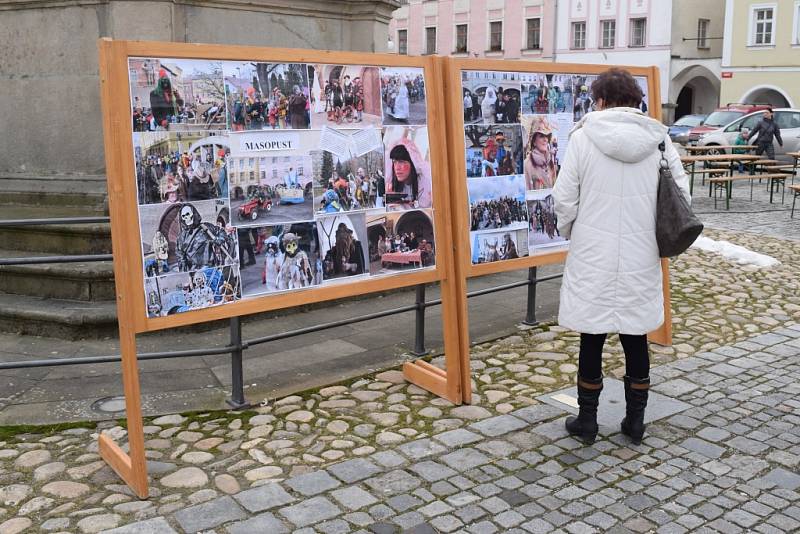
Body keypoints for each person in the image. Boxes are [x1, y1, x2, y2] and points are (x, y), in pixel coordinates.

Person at [552, 67, 690, 446]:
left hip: (593, 251)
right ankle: (634, 421)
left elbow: (564, 199)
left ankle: (588, 422)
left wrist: (573, 233)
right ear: (635, 100)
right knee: (635, 335)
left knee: (592, 335)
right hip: (640, 252)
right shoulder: (659, 141)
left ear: (600, 100)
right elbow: (682, 196)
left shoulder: (583, 139)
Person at [385, 140, 432, 209]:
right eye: (394, 162)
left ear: (413, 163)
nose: (397, 168)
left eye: (401, 162)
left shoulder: (427, 182)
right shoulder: (392, 187)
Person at [524, 116, 557, 189]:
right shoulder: (527, 165)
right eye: (541, 136)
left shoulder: (550, 161)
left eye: (547, 136)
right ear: (534, 141)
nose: (545, 139)